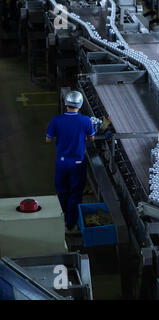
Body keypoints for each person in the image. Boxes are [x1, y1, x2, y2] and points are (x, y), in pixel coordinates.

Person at [46, 91, 95, 233]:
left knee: (62, 191)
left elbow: (48, 139)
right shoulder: (86, 120)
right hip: (77, 163)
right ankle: (70, 224)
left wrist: (62, 138)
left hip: (62, 163)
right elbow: (91, 139)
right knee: (75, 193)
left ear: (66, 104)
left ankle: (62, 217)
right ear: (80, 104)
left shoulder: (57, 120)